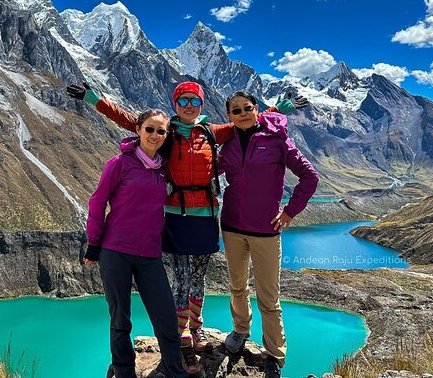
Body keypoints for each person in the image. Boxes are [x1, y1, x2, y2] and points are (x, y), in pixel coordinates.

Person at [69, 80, 308, 374]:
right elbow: (131, 119)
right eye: (183, 101)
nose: (189, 107)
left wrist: (280, 108)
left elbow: (247, 118)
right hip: (175, 217)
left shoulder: (212, 131)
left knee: (198, 278)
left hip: (205, 216)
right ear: (175, 104)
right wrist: (95, 99)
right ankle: (183, 341)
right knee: (181, 281)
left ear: (202, 104)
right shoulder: (165, 131)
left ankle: (196, 329)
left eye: (194, 101)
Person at [217, 91, 319, 378]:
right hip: (233, 227)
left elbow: (310, 176)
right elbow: (211, 171)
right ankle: (240, 331)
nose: (242, 114)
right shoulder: (229, 144)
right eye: (236, 111)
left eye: (247, 108)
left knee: (268, 297)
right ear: (229, 116)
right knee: (237, 287)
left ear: (256, 109)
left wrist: (290, 211)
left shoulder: (276, 139)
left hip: (266, 230)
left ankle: (274, 355)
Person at [84, 109, 187, 378]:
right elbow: (97, 202)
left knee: (166, 319)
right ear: (139, 129)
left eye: (161, 131)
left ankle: (177, 372)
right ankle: (124, 373)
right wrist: (94, 243)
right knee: (120, 321)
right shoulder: (120, 163)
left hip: (149, 254)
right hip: (115, 251)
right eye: (150, 129)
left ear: (167, 135)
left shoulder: (165, 169)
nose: (155, 135)